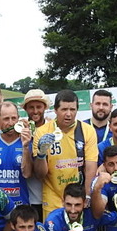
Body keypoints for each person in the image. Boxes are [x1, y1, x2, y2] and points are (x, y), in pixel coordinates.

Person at [32, 90, 98, 218]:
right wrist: (41, 154)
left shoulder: (87, 131)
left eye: (72, 109)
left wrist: (88, 195)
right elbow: (40, 174)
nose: (68, 114)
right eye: (64, 109)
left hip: (77, 198)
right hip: (53, 197)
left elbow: (90, 166)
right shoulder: (42, 132)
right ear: (55, 110)